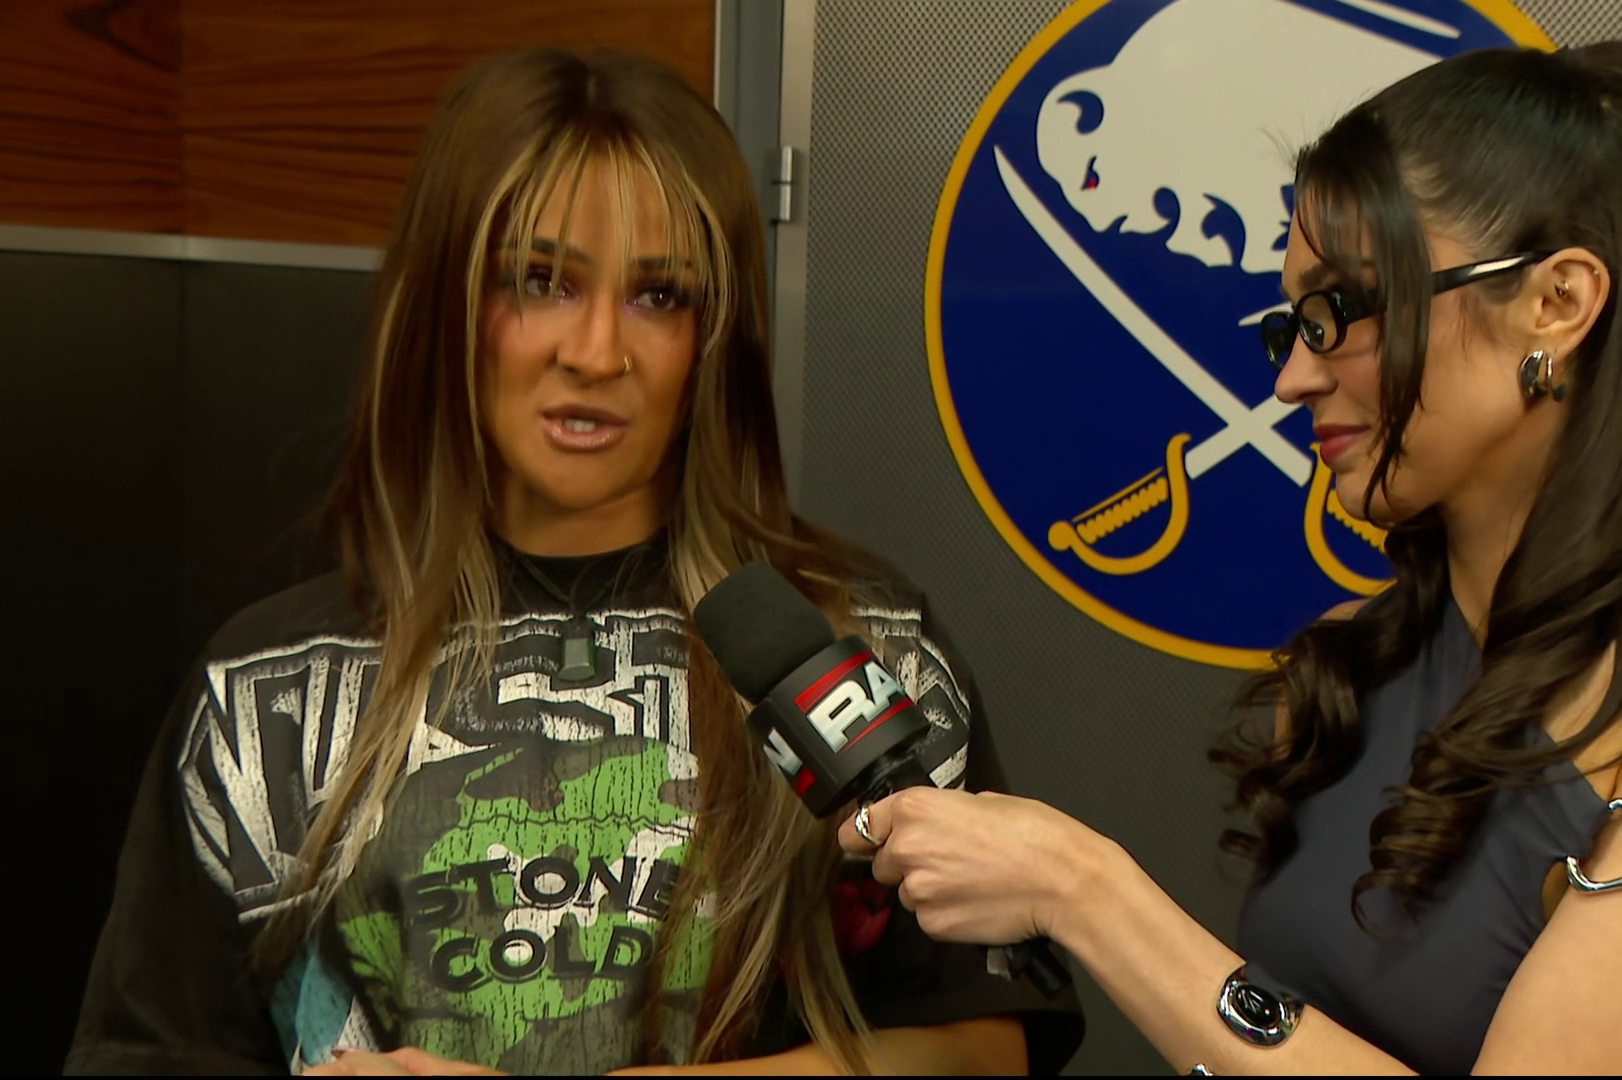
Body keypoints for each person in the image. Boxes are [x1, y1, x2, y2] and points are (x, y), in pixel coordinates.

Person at [840, 41, 1622, 1076]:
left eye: (1341, 310)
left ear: (1557, 303)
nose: (1294, 379)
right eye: (1293, 325)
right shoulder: (1354, 668)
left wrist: (1083, 891)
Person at [67, 48, 1081, 1077]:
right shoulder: (265, 692)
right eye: (540, 281)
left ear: (714, 337)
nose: (596, 353)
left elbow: (984, 1049)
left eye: (658, 295)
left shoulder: (855, 653)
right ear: (449, 304)